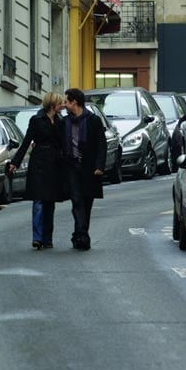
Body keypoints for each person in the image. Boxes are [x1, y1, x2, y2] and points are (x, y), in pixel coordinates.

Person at [9, 92, 64, 250]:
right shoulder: (37, 120)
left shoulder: (61, 122)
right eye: (60, 103)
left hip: (54, 164)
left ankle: (48, 238)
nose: (62, 106)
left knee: (50, 202)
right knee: (38, 201)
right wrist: (15, 162)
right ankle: (37, 237)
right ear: (53, 105)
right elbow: (26, 142)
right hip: (39, 163)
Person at [62, 87, 107, 251]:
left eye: (66, 102)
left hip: (89, 169)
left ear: (74, 102)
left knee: (86, 203)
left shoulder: (93, 120)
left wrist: (99, 166)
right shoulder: (65, 122)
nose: (64, 105)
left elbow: (102, 144)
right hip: (72, 168)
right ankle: (83, 236)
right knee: (77, 201)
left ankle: (79, 234)